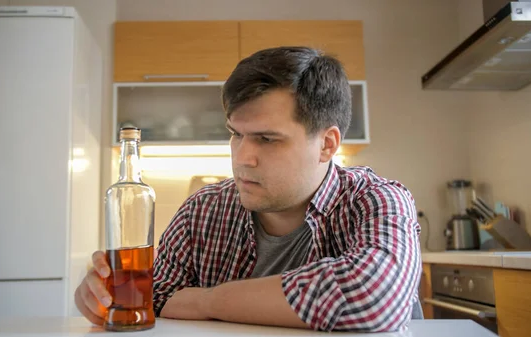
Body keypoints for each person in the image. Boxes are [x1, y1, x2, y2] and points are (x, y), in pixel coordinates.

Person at [75, 46, 422, 332]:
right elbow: (156, 298)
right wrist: (104, 296)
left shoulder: (377, 199)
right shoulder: (203, 211)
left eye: (266, 139)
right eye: (236, 134)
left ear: (327, 145)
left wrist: (207, 300)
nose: (242, 158)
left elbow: (374, 297)